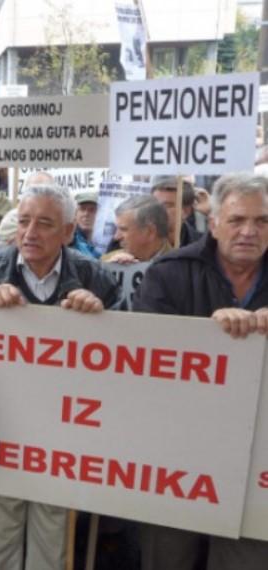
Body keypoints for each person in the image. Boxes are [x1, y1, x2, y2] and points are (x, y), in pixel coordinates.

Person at [0, 184, 120, 570]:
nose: (30, 233)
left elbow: (128, 352)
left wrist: (103, 317)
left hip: (64, 437)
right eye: (24, 221)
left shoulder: (94, 276)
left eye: (44, 223)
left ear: (67, 232)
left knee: (53, 539)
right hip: (1, 433)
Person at [135, 172, 268, 570]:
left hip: (258, 461)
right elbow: (142, 361)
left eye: (262, 221)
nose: (249, 231)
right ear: (212, 224)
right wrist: (207, 335)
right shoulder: (169, 272)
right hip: (179, 454)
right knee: (168, 556)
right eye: (236, 220)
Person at [101, 195, 171, 264]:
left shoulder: (178, 267)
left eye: (123, 229)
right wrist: (109, 271)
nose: (116, 237)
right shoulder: (108, 261)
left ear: (150, 232)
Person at [150, 175, 202, 247]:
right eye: (154, 205)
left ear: (185, 211)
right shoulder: (139, 242)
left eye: (166, 206)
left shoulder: (202, 246)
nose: (157, 211)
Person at [69, 189, 100, 258]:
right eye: (82, 209)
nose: (86, 214)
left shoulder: (109, 241)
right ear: (75, 213)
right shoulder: (69, 241)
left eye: (92, 210)